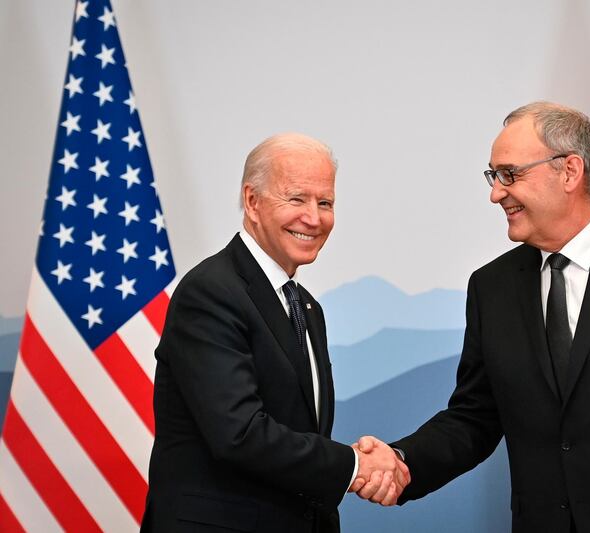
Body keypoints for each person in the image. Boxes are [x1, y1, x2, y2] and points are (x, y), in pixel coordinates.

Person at [355, 102, 590, 532]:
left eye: (510, 174)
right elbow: (475, 416)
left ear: (570, 172)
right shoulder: (492, 286)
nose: (496, 192)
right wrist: (402, 461)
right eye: (493, 176)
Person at [141, 133, 408, 533]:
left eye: (325, 203)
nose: (314, 218)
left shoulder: (305, 307)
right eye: (296, 199)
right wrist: (354, 465)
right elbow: (240, 433)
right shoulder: (211, 291)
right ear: (252, 202)